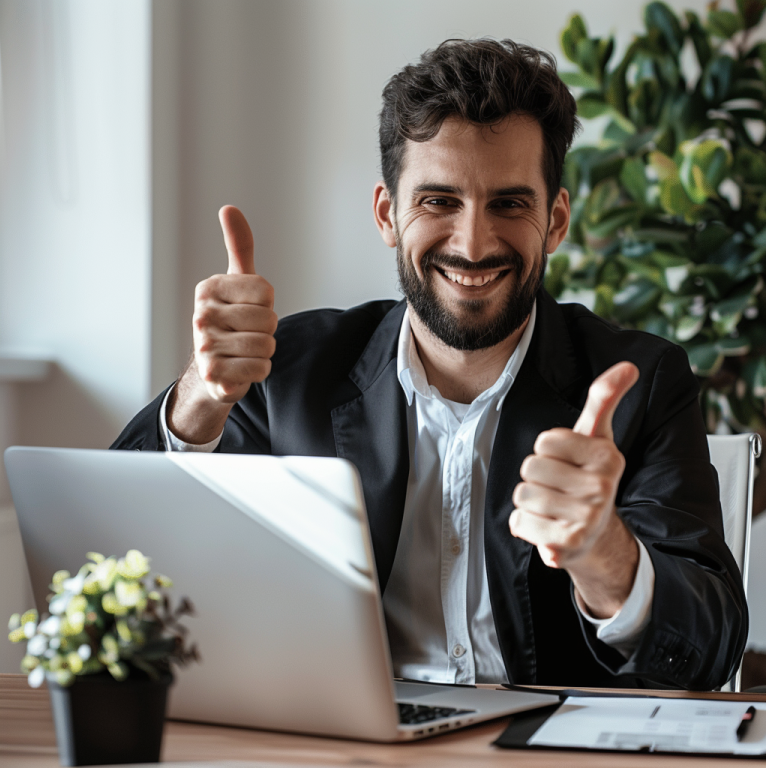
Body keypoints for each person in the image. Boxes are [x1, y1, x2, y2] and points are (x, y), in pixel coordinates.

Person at [113, 38, 747, 689]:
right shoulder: (286, 370)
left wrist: (602, 555)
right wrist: (200, 397)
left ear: (555, 221)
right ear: (388, 214)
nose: (473, 244)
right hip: (339, 748)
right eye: (438, 201)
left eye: (508, 203)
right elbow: (108, 563)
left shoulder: (641, 382)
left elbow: (710, 656)